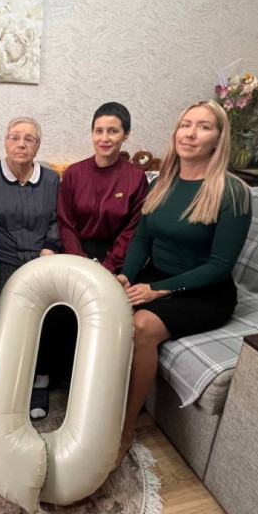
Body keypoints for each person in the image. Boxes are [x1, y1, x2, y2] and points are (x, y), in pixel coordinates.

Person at [115, 100, 252, 466]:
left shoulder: (233, 192)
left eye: (203, 127)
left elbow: (220, 266)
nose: (190, 133)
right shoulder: (162, 183)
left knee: (141, 326)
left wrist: (159, 290)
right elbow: (142, 238)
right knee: (105, 309)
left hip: (204, 291)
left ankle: (124, 430)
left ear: (218, 139)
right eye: (186, 124)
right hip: (156, 276)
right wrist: (127, 275)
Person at [52, 102, 149, 389]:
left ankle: (94, 380)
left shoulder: (135, 178)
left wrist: (108, 266)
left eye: (113, 131)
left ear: (126, 134)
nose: (104, 138)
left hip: (116, 256)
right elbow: (65, 222)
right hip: (76, 251)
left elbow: (133, 229)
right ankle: (55, 375)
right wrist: (80, 261)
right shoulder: (74, 173)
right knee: (62, 306)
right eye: (98, 131)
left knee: (107, 310)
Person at [0, 117, 61, 418]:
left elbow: (56, 221)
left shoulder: (51, 180)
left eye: (29, 139)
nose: (21, 144)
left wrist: (49, 249)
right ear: (6, 141)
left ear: (38, 145)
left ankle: (40, 380)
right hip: (1, 259)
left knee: (51, 307)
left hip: (41, 257)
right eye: (15, 137)